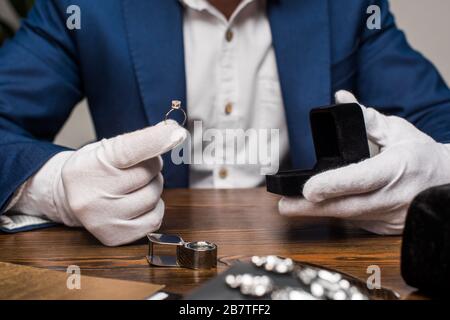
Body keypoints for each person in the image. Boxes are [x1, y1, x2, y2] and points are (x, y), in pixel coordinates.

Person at [1, 0, 450, 246]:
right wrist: (54, 186)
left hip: (308, 260)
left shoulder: (346, 6)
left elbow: (440, 121)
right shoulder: (83, 7)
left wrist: (436, 169)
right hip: (140, 268)